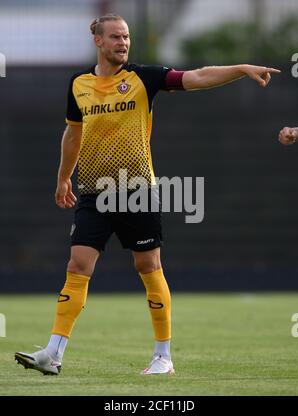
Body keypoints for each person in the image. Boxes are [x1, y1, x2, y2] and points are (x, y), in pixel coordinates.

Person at [15, 14, 281, 376]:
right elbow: (73, 134)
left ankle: (163, 357)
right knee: (77, 265)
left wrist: (241, 68)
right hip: (94, 193)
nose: (123, 42)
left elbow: (198, 76)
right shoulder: (78, 84)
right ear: (97, 41)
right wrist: (64, 178)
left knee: (148, 265)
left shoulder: (144, 77)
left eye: (126, 36)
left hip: (137, 191)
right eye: (115, 37)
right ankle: (53, 352)